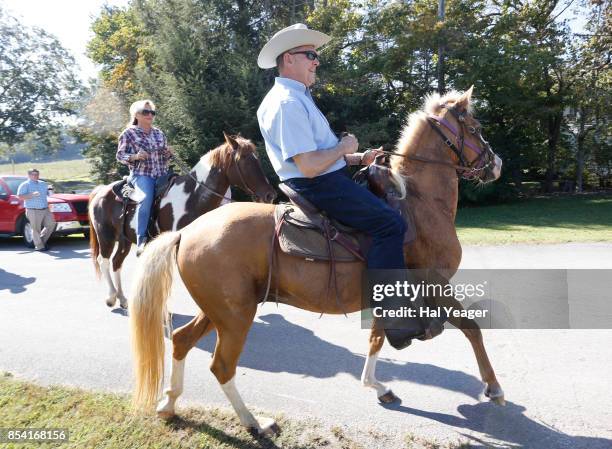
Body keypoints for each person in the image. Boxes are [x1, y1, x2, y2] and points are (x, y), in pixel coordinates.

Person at [256, 24, 442, 349]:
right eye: (310, 55)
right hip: (318, 185)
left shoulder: (297, 97)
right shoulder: (286, 102)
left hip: (326, 177)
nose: (316, 62)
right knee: (390, 224)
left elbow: (317, 154)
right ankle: (395, 321)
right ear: (288, 59)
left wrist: (357, 158)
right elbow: (309, 165)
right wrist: (343, 148)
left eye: (315, 56)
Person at [116, 99, 172, 256]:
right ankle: (142, 240)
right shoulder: (129, 133)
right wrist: (135, 156)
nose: (150, 115)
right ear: (136, 115)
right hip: (142, 175)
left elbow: (164, 156)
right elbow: (120, 156)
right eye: (145, 112)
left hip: (162, 174)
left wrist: (168, 154)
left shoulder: (159, 133)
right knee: (146, 198)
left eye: (152, 112)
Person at [16, 168, 56, 251]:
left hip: (45, 209)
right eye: (33, 174)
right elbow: (20, 196)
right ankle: (39, 246)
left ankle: (41, 241)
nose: (36, 176)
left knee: (51, 224)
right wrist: (31, 195)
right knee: (36, 228)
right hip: (33, 210)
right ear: (29, 175)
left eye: (37, 174)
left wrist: (51, 190)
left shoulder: (43, 183)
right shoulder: (25, 184)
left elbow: (49, 194)